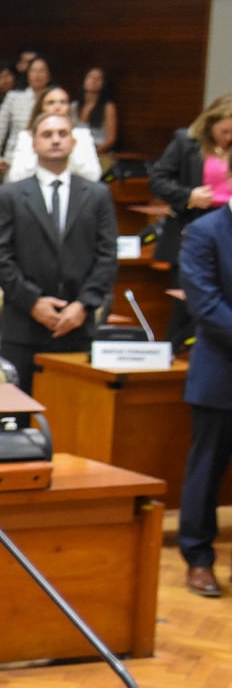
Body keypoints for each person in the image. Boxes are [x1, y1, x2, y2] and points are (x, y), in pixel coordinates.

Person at [0, 111, 118, 393]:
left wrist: (82, 306)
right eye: (47, 135)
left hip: (76, 326)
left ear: (73, 142)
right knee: (19, 418)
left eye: (62, 134)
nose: (55, 140)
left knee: (72, 418)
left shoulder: (97, 195)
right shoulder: (9, 195)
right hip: (24, 326)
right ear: (33, 144)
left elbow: (107, 256)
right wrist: (33, 302)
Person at [177, 199, 232, 597]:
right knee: (207, 468)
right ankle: (198, 559)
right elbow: (205, 303)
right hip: (221, 373)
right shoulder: (205, 230)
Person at [151, 95, 232, 349]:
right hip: (192, 230)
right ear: (210, 124)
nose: (229, 137)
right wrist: (188, 196)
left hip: (227, 232)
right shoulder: (186, 141)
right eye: (225, 131)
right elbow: (158, 180)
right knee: (186, 308)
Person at [4, 86, 102, 184]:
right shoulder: (26, 137)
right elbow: (16, 176)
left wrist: (69, 147)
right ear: (41, 107)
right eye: (51, 103)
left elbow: (93, 175)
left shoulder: (82, 135)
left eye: (63, 102)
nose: (57, 107)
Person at [0, 55, 51, 173]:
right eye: (33, 71)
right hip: (15, 160)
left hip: (48, 161)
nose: (37, 75)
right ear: (27, 74)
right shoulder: (14, 97)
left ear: (48, 75)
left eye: (41, 71)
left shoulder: (55, 98)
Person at [76, 67, 119, 157]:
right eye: (90, 77)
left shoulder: (107, 107)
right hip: (77, 151)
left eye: (98, 79)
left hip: (99, 151)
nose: (93, 81)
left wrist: (94, 152)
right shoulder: (74, 106)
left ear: (103, 84)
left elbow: (111, 139)